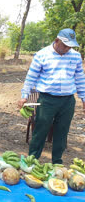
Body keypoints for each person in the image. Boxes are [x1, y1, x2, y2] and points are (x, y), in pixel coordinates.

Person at [18, 28, 85, 164]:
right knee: (40, 131)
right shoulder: (42, 55)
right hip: (47, 100)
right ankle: (32, 161)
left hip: (67, 101)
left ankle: (57, 164)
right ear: (56, 40)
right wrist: (24, 96)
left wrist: (84, 98)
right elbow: (31, 77)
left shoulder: (76, 56)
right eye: (65, 45)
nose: (67, 48)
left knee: (62, 132)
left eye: (70, 46)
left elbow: (80, 79)